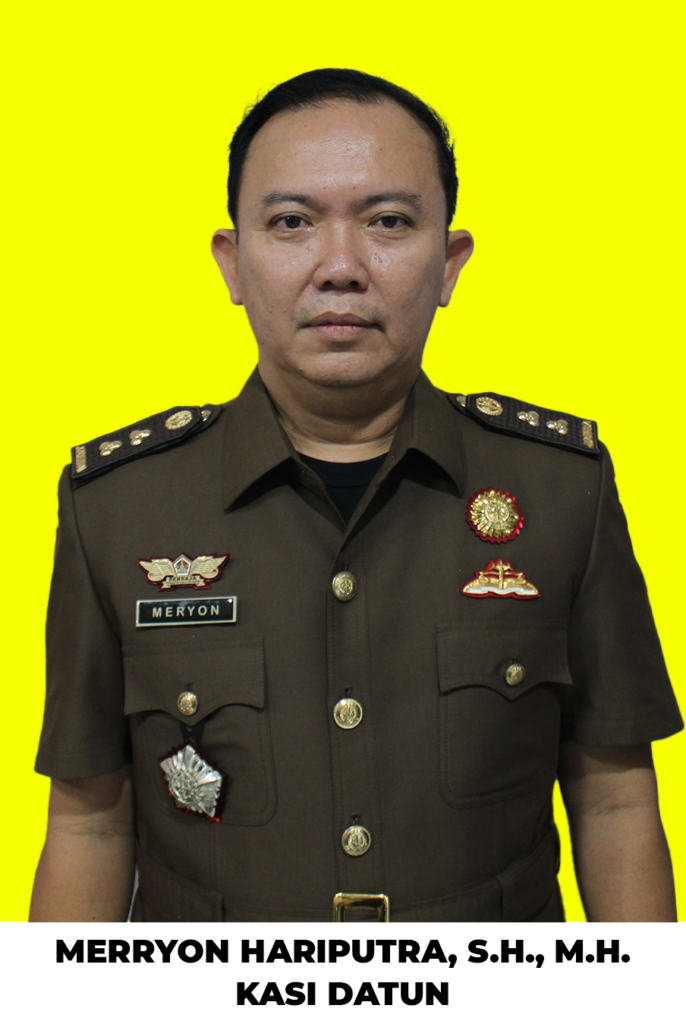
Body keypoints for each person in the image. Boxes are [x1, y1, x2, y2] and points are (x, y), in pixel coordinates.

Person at [31, 68, 682, 923]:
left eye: (388, 222)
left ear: (450, 262)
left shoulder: (563, 491)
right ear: (232, 261)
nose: (340, 267)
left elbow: (615, 804)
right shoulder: (118, 508)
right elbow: (88, 825)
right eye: (291, 223)